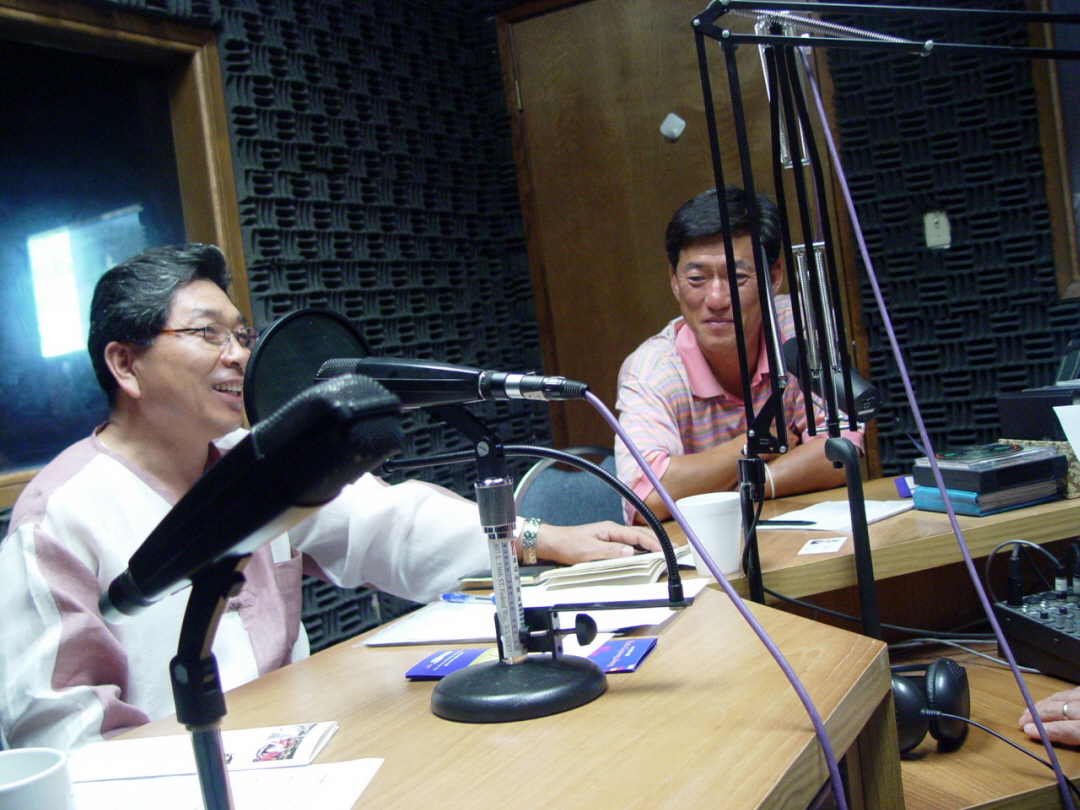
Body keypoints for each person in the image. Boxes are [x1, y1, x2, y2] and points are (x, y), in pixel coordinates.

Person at [0, 243, 658, 753]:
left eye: (241, 335)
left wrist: (541, 538)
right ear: (124, 364)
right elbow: (63, 737)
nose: (238, 356)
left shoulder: (254, 458)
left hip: (304, 749)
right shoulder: (58, 519)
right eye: (208, 334)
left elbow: (388, 526)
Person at [615, 186, 864, 522]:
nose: (716, 299)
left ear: (773, 277)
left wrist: (751, 487)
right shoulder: (650, 369)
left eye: (737, 277)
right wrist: (750, 447)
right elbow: (645, 498)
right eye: (697, 278)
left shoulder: (801, 327)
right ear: (674, 281)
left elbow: (842, 451)